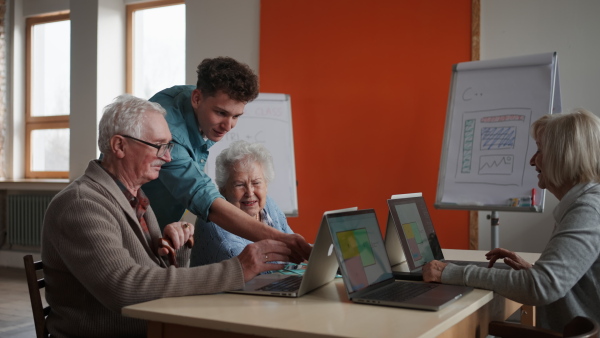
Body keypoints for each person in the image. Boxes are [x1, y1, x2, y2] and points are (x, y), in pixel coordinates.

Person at [41, 94, 292, 338]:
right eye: (159, 146)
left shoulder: (135, 198)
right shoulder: (82, 204)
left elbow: (157, 283)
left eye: (168, 146)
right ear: (119, 145)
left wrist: (177, 249)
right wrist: (237, 269)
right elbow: (126, 288)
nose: (168, 157)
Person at [423, 108, 600, 331]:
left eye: (540, 150)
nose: (532, 161)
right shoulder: (586, 203)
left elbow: (542, 287)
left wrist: (451, 273)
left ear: (563, 157)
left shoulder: (588, 210)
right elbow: (555, 281)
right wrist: (534, 272)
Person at [142, 57, 311, 262]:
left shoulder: (200, 103)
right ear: (196, 99)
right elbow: (204, 197)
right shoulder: (170, 134)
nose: (228, 125)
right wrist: (281, 240)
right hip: (128, 227)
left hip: (156, 230)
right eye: (221, 113)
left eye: (236, 116)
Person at [192, 140, 294, 266]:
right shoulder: (215, 225)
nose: (250, 193)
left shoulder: (269, 205)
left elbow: (294, 248)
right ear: (223, 189)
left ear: (266, 184)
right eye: (239, 184)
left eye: (256, 183)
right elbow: (252, 273)